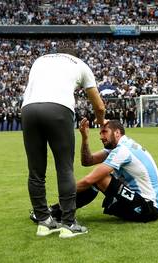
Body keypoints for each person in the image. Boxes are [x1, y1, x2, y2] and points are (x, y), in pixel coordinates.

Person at [22, 49, 106, 238]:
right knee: (65, 168)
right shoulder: (81, 65)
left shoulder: (39, 59)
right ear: (75, 55)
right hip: (59, 110)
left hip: (28, 109)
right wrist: (102, 124)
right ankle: (68, 224)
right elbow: (99, 106)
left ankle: (44, 222)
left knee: (36, 171)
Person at [33, 118, 158, 224]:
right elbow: (87, 161)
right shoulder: (121, 147)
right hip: (143, 203)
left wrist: (66, 192)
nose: (101, 136)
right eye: (100, 133)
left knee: (98, 178)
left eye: (105, 132)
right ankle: (56, 211)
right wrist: (85, 137)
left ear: (117, 133)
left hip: (148, 208)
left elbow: (90, 179)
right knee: (98, 179)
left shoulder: (123, 150)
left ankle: (53, 212)